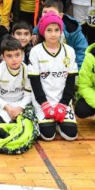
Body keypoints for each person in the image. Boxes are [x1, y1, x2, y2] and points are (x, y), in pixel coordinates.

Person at [28, 13, 78, 142]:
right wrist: (44, 104)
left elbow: (71, 81)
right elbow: (35, 82)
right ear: (42, 32)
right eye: (49, 30)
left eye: (56, 30)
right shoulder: (36, 51)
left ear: (61, 31)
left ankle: (59, 121)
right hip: (43, 101)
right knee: (48, 135)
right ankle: (48, 120)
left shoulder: (69, 51)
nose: (53, 34)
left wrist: (64, 104)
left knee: (71, 135)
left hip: (62, 100)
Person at [0, 37, 32, 123]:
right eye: (9, 56)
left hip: (21, 102)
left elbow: (29, 94)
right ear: (3, 57)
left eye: (17, 55)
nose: (14, 59)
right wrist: (7, 108)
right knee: (5, 123)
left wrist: (21, 107)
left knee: (25, 123)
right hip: (2, 104)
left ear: (22, 54)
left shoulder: (27, 70)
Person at [35, 0, 88, 69]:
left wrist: (77, 71)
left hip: (68, 67)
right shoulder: (36, 31)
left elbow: (82, 52)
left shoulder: (73, 29)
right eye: (44, 12)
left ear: (60, 15)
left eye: (51, 12)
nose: (47, 15)